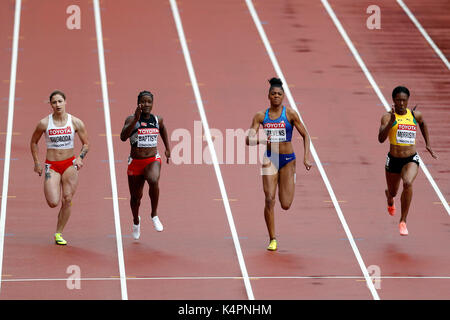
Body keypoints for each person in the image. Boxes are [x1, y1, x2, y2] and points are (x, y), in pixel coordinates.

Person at [246, 78, 312, 251]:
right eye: (273, 93)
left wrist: (306, 157)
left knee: (285, 204)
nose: (276, 96)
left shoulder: (290, 114)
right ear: (268, 96)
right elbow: (248, 139)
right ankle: (272, 239)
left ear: (283, 97)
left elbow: (306, 135)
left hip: (288, 160)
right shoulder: (261, 116)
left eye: (279, 94)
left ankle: (289, 181)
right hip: (270, 159)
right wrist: (262, 139)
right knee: (269, 199)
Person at [30, 90, 89, 245]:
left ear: (65, 102)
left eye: (60, 101)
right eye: (54, 102)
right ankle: (58, 227)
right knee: (53, 202)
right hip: (52, 166)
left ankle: (58, 233)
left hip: (70, 164)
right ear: (50, 104)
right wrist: (37, 163)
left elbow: (86, 144)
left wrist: (80, 157)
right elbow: (33, 142)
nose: (57, 105)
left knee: (67, 199)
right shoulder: (44, 123)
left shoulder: (75, 122)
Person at [378, 86, 437, 236]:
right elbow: (380, 139)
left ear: (408, 100)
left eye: (404, 100)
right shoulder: (387, 117)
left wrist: (428, 144)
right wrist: (392, 122)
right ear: (393, 100)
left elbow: (423, 124)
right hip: (393, 160)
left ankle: (403, 221)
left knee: (408, 183)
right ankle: (389, 198)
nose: (402, 103)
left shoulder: (415, 115)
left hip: (410, 158)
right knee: (393, 191)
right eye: (398, 100)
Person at [120, 90, 171, 240]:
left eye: (149, 101)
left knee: (153, 179)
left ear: (152, 103)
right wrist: (135, 119)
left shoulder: (157, 120)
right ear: (138, 103)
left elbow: (163, 129)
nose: (146, 104)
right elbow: (123, 137)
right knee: (136, 198)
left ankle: (154, 215)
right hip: (135, 162)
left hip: (152, 159)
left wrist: (167, 148)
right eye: (143, 101)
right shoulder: (131, 119)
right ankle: (136, 221)